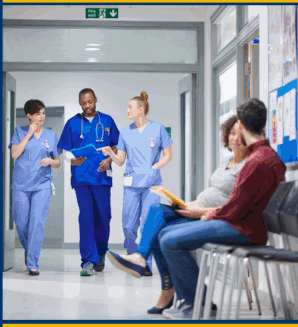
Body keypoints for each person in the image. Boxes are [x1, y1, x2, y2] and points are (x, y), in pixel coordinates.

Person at [155, 98, 285, 319]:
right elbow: (238, 204)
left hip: (243, 228)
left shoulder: (257, 160)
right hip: (241, 223)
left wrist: (210, 214)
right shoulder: (264, 156)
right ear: (263, 124)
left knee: (169, 240)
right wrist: (211, 213)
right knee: (166, 233)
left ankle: (198, 305)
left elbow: (236, 207)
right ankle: (193, 301)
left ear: (240, 125)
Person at [106, 116, 248, 314]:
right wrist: (186, 205)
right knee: (156, 211)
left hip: (212, 216)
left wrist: (199, 210)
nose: (234, 138)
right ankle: (142, 259)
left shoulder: (248, 166)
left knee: (161, 231)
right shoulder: (226, 161)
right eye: (231, 133)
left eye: (240, 134)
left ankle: (169, 289)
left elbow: (235, 205)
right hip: (196, 208)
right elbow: (212, 194)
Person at [98, 91, 172, 276]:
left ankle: (145, 263)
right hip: (132, 185)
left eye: (130, 107)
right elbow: (120, 161)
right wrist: (111, 153)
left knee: (148, 225)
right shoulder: (125, 132)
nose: (127, 110)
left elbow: (168, 156)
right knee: (128, 226)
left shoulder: (158, 129)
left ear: (140, 109)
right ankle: (133, 257)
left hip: (152, 185)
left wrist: (154, 168)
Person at [57, 88, 120, 276]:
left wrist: (110, 159)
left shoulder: (107, 120)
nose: (87, 106)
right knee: (86, 219)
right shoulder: (72, 123)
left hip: (102, 178)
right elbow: (65, 150)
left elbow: (116, 145)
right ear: (79, 103)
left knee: (104, 217)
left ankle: (100, 254)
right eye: (84, 103)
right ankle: (87, 261)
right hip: (82, 178)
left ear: (95, 100)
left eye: (90, 102)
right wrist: (72, 160)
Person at [9, 100, 60, 276]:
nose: (41, 117)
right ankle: (29, 251)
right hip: (21, 185)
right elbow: (14, 154)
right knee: (21, 223)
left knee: (37, 224)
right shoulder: (19, 132)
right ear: (29, 115)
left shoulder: (51, 135)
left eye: (43, 113)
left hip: (42, 185)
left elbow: (58, 162)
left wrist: (51, 161)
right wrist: (29, 134)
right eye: (38, 114)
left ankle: (32, 263)